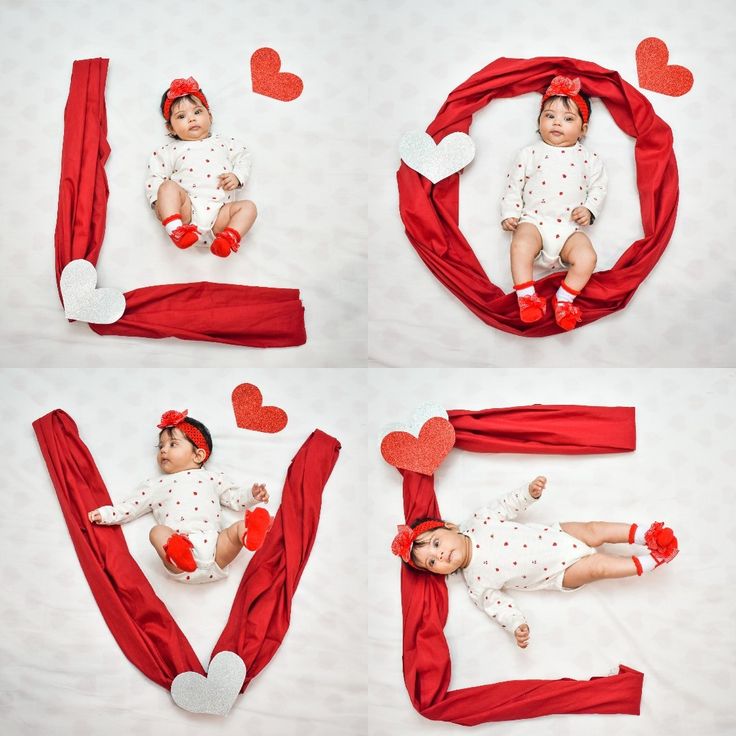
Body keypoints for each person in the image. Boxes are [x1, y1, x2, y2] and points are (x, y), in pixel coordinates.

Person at [391, 476, 678, 648]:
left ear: (450, 527)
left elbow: (505, 505)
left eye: (437, 544)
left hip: (557, 533)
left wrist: (529, 492)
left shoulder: (478, 520)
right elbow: (500, 608)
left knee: (595, 529)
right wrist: (516, 625)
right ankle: (653, 561)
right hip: (559, 573)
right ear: (439, 572)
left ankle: (647, 535)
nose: (439, 555)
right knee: (599, 567)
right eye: (432, 562)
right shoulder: (477, 585)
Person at [88, 409, 271, 584]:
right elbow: (131, 506)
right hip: (180, 560)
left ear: (198, 455)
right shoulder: (156, 485)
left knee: (236, 530)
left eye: (173, 444)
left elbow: (234, 498)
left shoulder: (212, 478)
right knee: (157, 533)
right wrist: (106, 514)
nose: (163, 451)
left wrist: (252, 495)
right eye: (161, 446)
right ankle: (179, 553)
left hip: (216, 551)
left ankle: (249, 534)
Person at [500, 76, 608, 330]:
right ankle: (527, 298)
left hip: (570, 229)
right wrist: (510, 212)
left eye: (568, 119)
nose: (557, 122)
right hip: (534, 221)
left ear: (584, 129)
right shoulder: (529, 153)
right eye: (550, 116)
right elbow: (514, 185)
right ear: (539, 122)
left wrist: (590, 209)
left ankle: (564, 300)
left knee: (587, 257)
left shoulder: (590, 158)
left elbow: (599, 187)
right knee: (520, 244)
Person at [145, 77, 257, 258]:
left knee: (249, 207)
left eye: (197, 112)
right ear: (171, 128)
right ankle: (176, 231)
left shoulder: (225, 143)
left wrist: (237, 176)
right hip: (186, 213)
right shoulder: (169, 150)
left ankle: (228, 238)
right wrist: (160, 203)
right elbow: (155, 177)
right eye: (181, 116)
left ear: (210, 116)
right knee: (167, 187)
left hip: (220, 214)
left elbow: (244, 157)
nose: (191, 119)